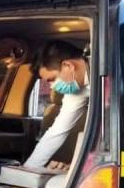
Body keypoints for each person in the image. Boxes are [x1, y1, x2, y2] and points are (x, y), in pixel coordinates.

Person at [24, 40, 89, 170]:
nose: (52, 86)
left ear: (68, 66)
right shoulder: (75, 90)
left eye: (52, 79)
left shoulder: (114, 66)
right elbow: (57, 131)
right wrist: (28, 170)